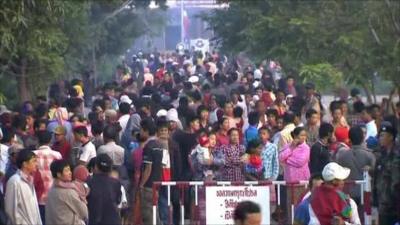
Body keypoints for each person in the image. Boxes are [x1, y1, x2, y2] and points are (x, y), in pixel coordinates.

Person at [336, 126, 375, 203]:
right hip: (364, 193)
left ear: (349, 139)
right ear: (363, 138)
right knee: (363, 214)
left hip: (346, 194)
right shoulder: (369, 155)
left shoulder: (342, 156)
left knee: (349, 214)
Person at [5, 149, 42, 225]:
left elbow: (34, 207)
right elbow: (10, 209)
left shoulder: (30, 180)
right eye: (34, 161)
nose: (37, 164)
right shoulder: (14, 181)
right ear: (25, 164)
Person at [46, 160, 88, 225]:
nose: (70, 173)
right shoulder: (68, 192)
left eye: (70, 170)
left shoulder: (51, 190)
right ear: (59, 174)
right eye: (66, 170)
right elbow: (84, 213)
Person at [34, 130, 62, 223]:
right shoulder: (57, 155)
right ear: (50, 141)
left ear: (38, 140)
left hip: (37, 195)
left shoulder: (32, 155)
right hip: (54, 195)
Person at [373, 125, 400, 225]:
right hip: (383, 205)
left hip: (396, 205)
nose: (380, 138)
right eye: (380, 136)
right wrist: (375, 201)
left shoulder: (397, 155)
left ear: (391, 137)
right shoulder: (381, 155)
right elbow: (377, 178)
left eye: (383, 135)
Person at [138, 118, 163, 225]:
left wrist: (141, 185)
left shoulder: (148, 147)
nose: (140, 132)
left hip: (148, 185)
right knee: (155, 212)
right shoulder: (159, 145)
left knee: (148, 215)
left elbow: (148, 168)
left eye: (141, 130)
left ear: (146, 131)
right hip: (157, 183)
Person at [87, 154, 122, 225]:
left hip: (94, 220)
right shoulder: (116, 183)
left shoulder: (88, 183)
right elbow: (118, 201)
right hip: (113, 220)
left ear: (96, 167)